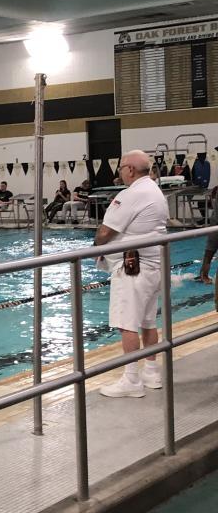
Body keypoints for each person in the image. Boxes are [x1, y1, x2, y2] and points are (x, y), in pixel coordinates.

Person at [94, 149, 170, 398]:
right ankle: (151, 372)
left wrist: (96, 246)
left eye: (120, 168)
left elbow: (105, 232)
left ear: (129, 169)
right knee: (148, 321)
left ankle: (132, 379)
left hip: (132, 269)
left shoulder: (131, 194)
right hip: (153, 265)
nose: (119, 172)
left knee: (127, 324)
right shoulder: (155, 190)